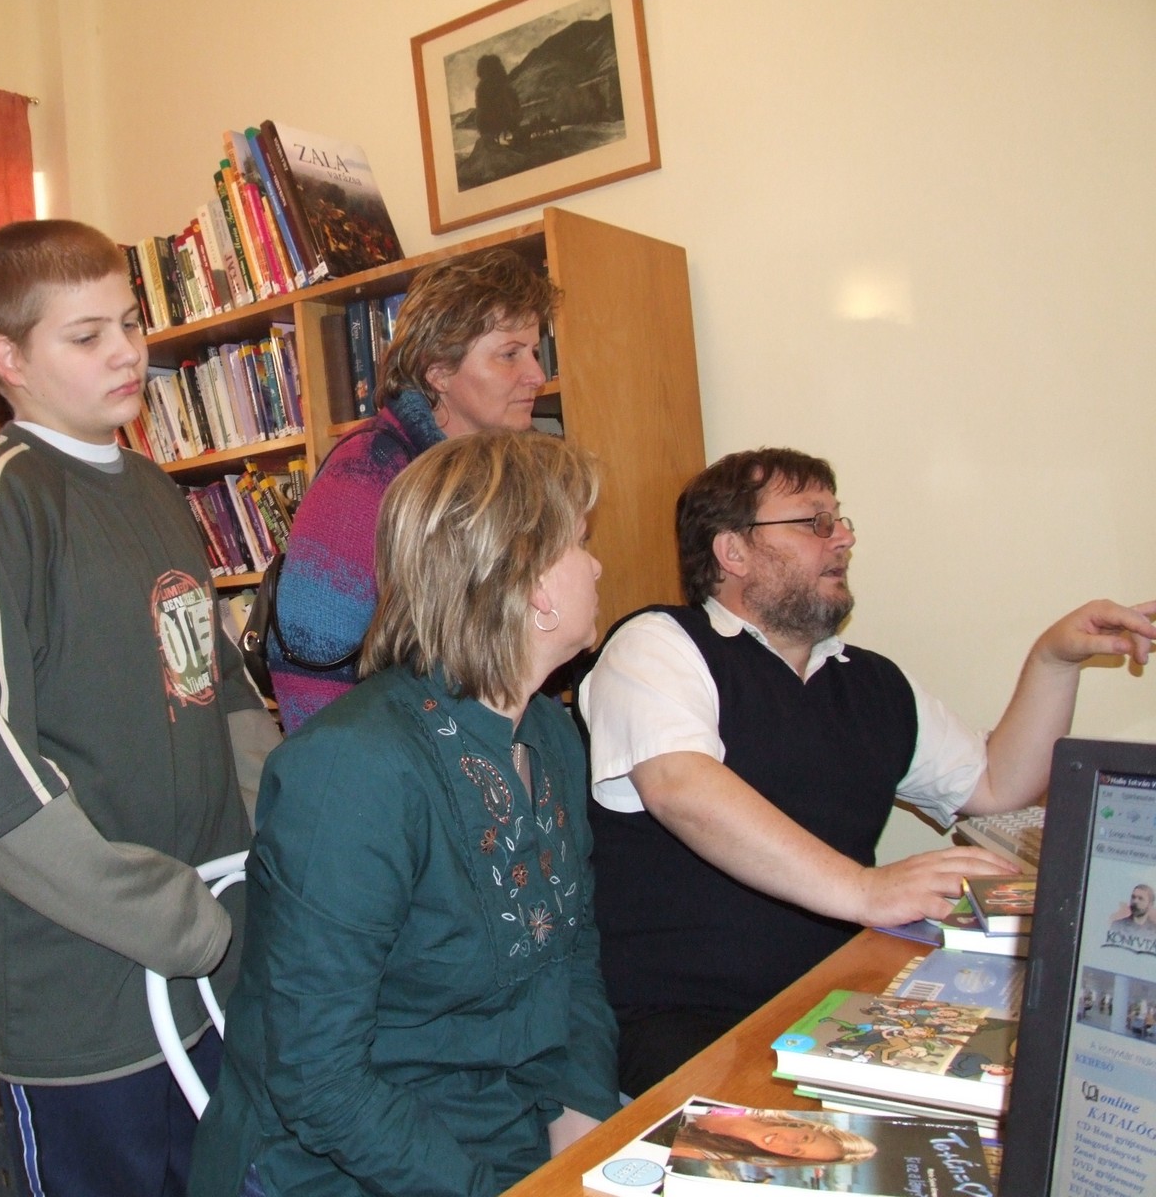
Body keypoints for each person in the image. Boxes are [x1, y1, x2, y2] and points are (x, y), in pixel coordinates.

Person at [577, 446, 1156, 1097]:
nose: (843, 537)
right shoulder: (657, 643)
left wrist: (1053, 661)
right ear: (732, 552)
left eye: (840, 519)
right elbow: (680, 785)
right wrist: (866, 890)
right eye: (814, 522)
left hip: (838, 1010)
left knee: (1030, 1086)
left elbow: (997, 787)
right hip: (682, 1026)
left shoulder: (874, 682)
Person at [0, 219, 275, 1197]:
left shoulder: (153, 489)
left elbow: (217, 684)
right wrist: (159, 913)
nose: (126, 353)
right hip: (84, 993)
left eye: (131, 323)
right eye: (86, 335)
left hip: (210, 958)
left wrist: (281, 834)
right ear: (8, 361)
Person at [192, 431, 620, 1197]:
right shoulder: (354, 771)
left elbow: (575, 958)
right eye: (580, 543)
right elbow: (319, 1081)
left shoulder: (551, 735)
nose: (596, 566)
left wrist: (582, 1130)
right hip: (345, 1169)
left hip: (509, 1133)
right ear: (532, 586)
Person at [267, 246, 557, 730]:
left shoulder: (507, 471)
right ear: (438, 371)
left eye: (533, 351)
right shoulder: (367, 473)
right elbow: (309, 665)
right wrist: (358, 775)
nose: (537, 376)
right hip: (390, 762)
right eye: (509, 354)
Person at [670, 1108, 876, 1165]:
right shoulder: (752, 1109)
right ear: (805, 1127)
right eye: (804, 1139)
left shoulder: (717, 1154)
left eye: (795, 1151)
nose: (786, 1143)